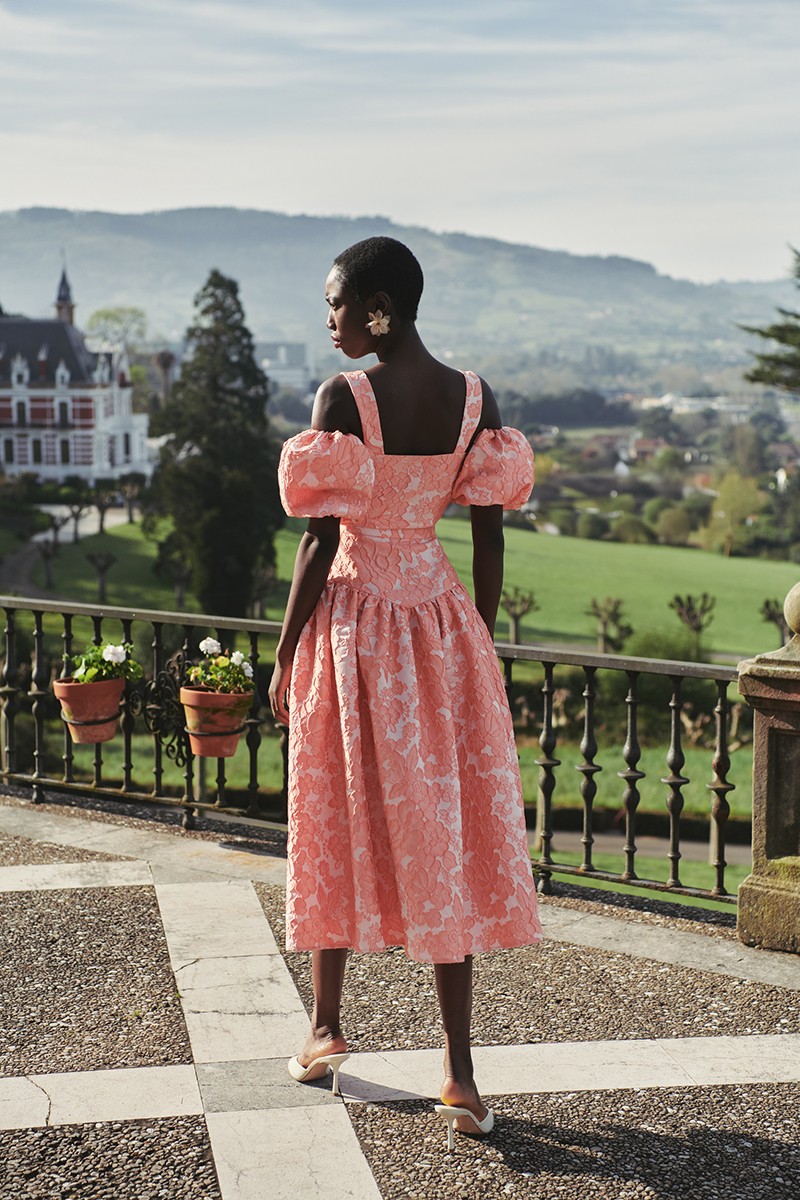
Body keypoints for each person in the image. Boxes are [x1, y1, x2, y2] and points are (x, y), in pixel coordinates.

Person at [268, 236, 541, 1149]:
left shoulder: (343, 399)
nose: (332, 319)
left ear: (379, 305)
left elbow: (317, 542)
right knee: (441, 829)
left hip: (354, 626)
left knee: (333, 811)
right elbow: (491, 537)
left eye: (339, 303)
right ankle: (460, 1074)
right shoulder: (476, 399)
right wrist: (481, 641)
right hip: (439, 626)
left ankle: (324, 1027)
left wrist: (283, 652)